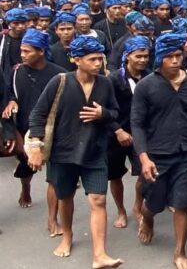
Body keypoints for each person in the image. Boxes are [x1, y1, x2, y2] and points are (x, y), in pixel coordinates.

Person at [27, 35, 123, 268]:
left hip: (94, 151)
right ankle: (67, 235)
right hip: (63, 152)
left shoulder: (105, 83)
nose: (98, 64)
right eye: (92, 59)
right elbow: (37, 115)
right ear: (76, 60)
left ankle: (99, 254)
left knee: (98, 199)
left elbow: (114, 113)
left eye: (100, 59)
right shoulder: (59, 82)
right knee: (65, 197)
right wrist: (36, 148)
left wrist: (103, 115)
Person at [131, 32, 187, 269]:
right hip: (157, 155)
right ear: (159, 58)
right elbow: (137, 124)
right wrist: (143, 158)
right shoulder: (145, 86)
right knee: (155, 203)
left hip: (186, 153)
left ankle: (179, 252)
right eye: (169, 56)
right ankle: (147, 219)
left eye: (178, 55)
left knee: (182, 203)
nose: (175, 60)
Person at [1, 29, 66, 236]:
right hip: (24, 128)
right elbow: (8, 94)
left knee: (54, 177)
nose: (22, 55)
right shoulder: (16, 71)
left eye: (27, 51)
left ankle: (52, 219)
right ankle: (25, 188)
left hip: (52, 129)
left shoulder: (59, 74)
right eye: (21, 50)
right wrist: (11, 101)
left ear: (41, 51)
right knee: (26, 166)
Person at [106, 36, 151, 229]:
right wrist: (117, 130)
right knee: (115, 175)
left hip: (139, 134)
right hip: (115, 134)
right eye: (138, 56)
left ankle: (137, 207)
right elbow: (104, 109)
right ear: (127, 56)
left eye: (146, 56)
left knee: (144, 172)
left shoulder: (150, 77)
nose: (142, 60)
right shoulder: (113, 80)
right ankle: (121, 211)